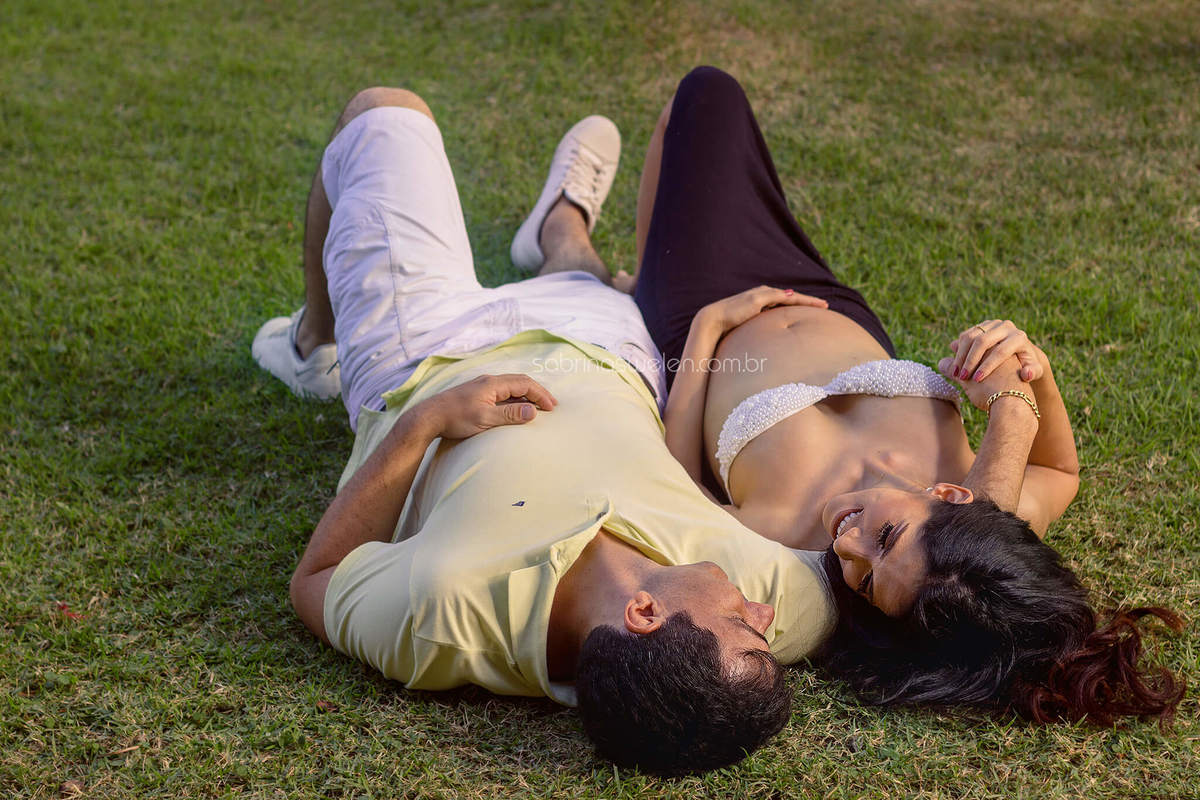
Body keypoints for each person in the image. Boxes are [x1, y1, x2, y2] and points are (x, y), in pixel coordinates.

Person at [250, 86, 836, 774]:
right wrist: (1002, 399)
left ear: (645, 613)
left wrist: (425, 424)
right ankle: (562, 228)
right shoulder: (769, 593)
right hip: (601, 348)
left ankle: (312, 346)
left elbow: (313, 579)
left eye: (744, 626)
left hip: (423, 353)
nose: (765, 614)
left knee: (383, 114)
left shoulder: (448, 613)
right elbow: (938, 567)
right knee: (585, 280)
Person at [622, 67, 1183, 724]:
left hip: (707, 318)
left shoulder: (783, 538)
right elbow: (1060, 471)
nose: (849, 545)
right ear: (948, 497)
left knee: (704, 99)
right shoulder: (978, 518)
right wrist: (1034, 372)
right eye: (885, 536)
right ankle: (597, 260)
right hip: (823, 297)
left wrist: (708, 329)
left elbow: (673, 484)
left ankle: (628, 279)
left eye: (862, 577)